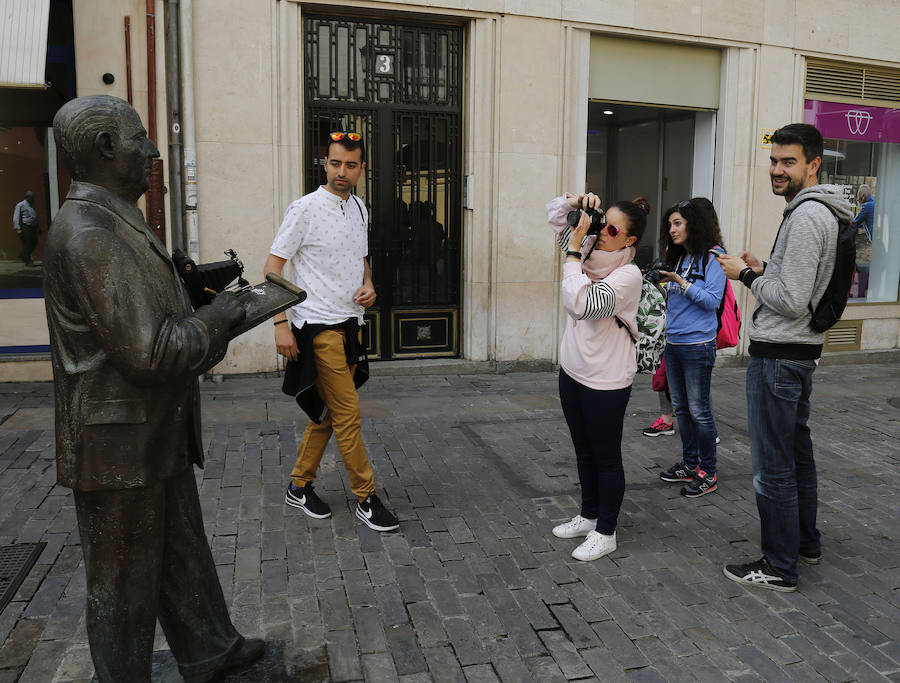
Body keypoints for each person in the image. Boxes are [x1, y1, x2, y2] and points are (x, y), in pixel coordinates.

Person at [43, 95, 264, 682]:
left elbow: (144, 319)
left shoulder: (115, 218)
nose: (152, 150)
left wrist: (201, 302)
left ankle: (210, 647)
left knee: (181, 552)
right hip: (118, 444)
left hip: (149, 431)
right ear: (106, 149)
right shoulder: (89, 233)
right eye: (139, 138)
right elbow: (151, 351)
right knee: (122, 581)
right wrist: (223, 319)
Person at [717, 123, 852, 591]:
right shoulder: (823, 212)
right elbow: (805, 284)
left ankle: (778, 566)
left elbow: (792, 300)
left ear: (813, 164)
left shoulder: (807, 216)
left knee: (773, 465)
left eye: (788, 161)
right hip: (800, 353)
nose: (777, 169)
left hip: (778, 358)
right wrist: (765, 268)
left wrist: (745, 277)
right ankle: (804, 544)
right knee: (797, 455)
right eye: (774, 160)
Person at [265, 130, 399, 533]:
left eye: (351, 164)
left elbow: (361, 261)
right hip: (316, 327)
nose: (343, 171)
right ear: (325, 163)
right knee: (348, 414)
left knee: (326, 414)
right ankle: (366, 497)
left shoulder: (359, 207)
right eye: (336, 162)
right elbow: (273, 268)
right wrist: (279, 323)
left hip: (349, 325)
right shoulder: (304, 209)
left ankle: (298, 484)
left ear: (361, 168)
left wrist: (370, 286)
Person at [547, 191, 649, 561]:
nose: (602, 231)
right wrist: (574, 204)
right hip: (573, 370)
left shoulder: (628, 275)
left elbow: (582, 304)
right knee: (582, 449)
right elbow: (557, 220)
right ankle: (589, 515)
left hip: (606, 380)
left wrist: (574, 253)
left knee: (605, 455)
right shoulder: (589, 251)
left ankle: (607, 531)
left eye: (611, 229)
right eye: (603, 221)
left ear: (629, 239)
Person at [656, 199, 726, 498]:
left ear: (692, 225)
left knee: (699, 411)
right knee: (682, 411)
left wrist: (680, 283)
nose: (672, 230)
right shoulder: (680, 258)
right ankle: (689, 462)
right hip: (673, 344)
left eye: (678, 223)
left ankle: (708, 473)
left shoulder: (714, 257)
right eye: (670, 225)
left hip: (698, 345)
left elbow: (712, 301)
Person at [12, 190, 40, 265]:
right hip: (26, 227)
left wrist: (38, 227)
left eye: (33, 198)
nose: (33, 199)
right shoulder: (20, 205)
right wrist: (17, 228)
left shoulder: (31, 206)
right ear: (27, 197)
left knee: (35, 243)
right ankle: (28, 261)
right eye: (31, 198)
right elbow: (16, 217)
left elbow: (34, 217)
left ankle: (23, 254)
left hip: (33, 228)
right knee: (27, 244)